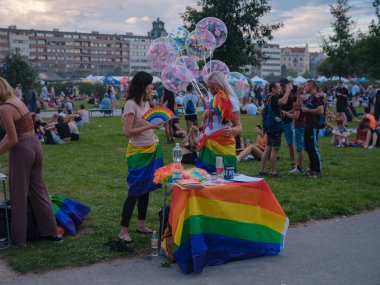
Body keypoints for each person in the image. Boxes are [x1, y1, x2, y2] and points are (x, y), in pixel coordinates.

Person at [0, 77, 61, 246]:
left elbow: (13, 139)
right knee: (39, 190)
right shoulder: (16, 101)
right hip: (35, 145)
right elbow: (13, 133)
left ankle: (18, 240)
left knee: (18, 194)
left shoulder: (5, 108)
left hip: (22, 150)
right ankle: (52, 233)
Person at [118, 71, 164, 244]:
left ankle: (141, 224)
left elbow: (150, 122)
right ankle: (123, 231)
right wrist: (149, 127)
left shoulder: (146, 102)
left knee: (146, 188)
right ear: (142, 86)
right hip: (138, 152)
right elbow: (127, 132)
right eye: (149, 84)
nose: (152, 87)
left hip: (152, 148)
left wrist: (155, 126)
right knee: (135, 190)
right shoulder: (130, 105)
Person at [196, 71, 242, 173]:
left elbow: (239, 127)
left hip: (223, 146)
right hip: (207, 144)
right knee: (205, 176)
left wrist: (232, 130)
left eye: (213, 87)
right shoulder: (213, 100)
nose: (211, 90)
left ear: (221, 85)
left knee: (225, 177)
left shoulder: (231, 101)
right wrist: (206, 114)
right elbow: (207, 122)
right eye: (209, 87)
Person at [259, 82, 292, 177]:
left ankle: (262, 170)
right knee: (274, 149)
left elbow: (282, 99)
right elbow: (283, 102)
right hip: (275, 127)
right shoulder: (273, 97)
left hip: (268, 126)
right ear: (273, 89)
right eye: (278, 87)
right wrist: (288, 90)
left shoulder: (267, 97)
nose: (280, 89)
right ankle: (273, 171)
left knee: (268, 147)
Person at [301, 80, 324, 179]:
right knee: (309, 148)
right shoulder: (310, 97)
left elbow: (320, 110)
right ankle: (312, 169)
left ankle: (317, 171)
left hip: (313, 126)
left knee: (314, 148)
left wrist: (308, 110)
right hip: (307, 125)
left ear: (311, 86)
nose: (304, 87)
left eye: (305, 85)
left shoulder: (317, 96)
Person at [279, 78, 296, 168]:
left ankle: (293, 160)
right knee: (276, 142)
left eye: (283, 86)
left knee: (290, 143)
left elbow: (295, 108)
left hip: (288, 122)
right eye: (281, 85)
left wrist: (287, 113)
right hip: (279, 122)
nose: (282, 87)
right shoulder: (279, 94)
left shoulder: (292, 95)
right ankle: (274, 157)